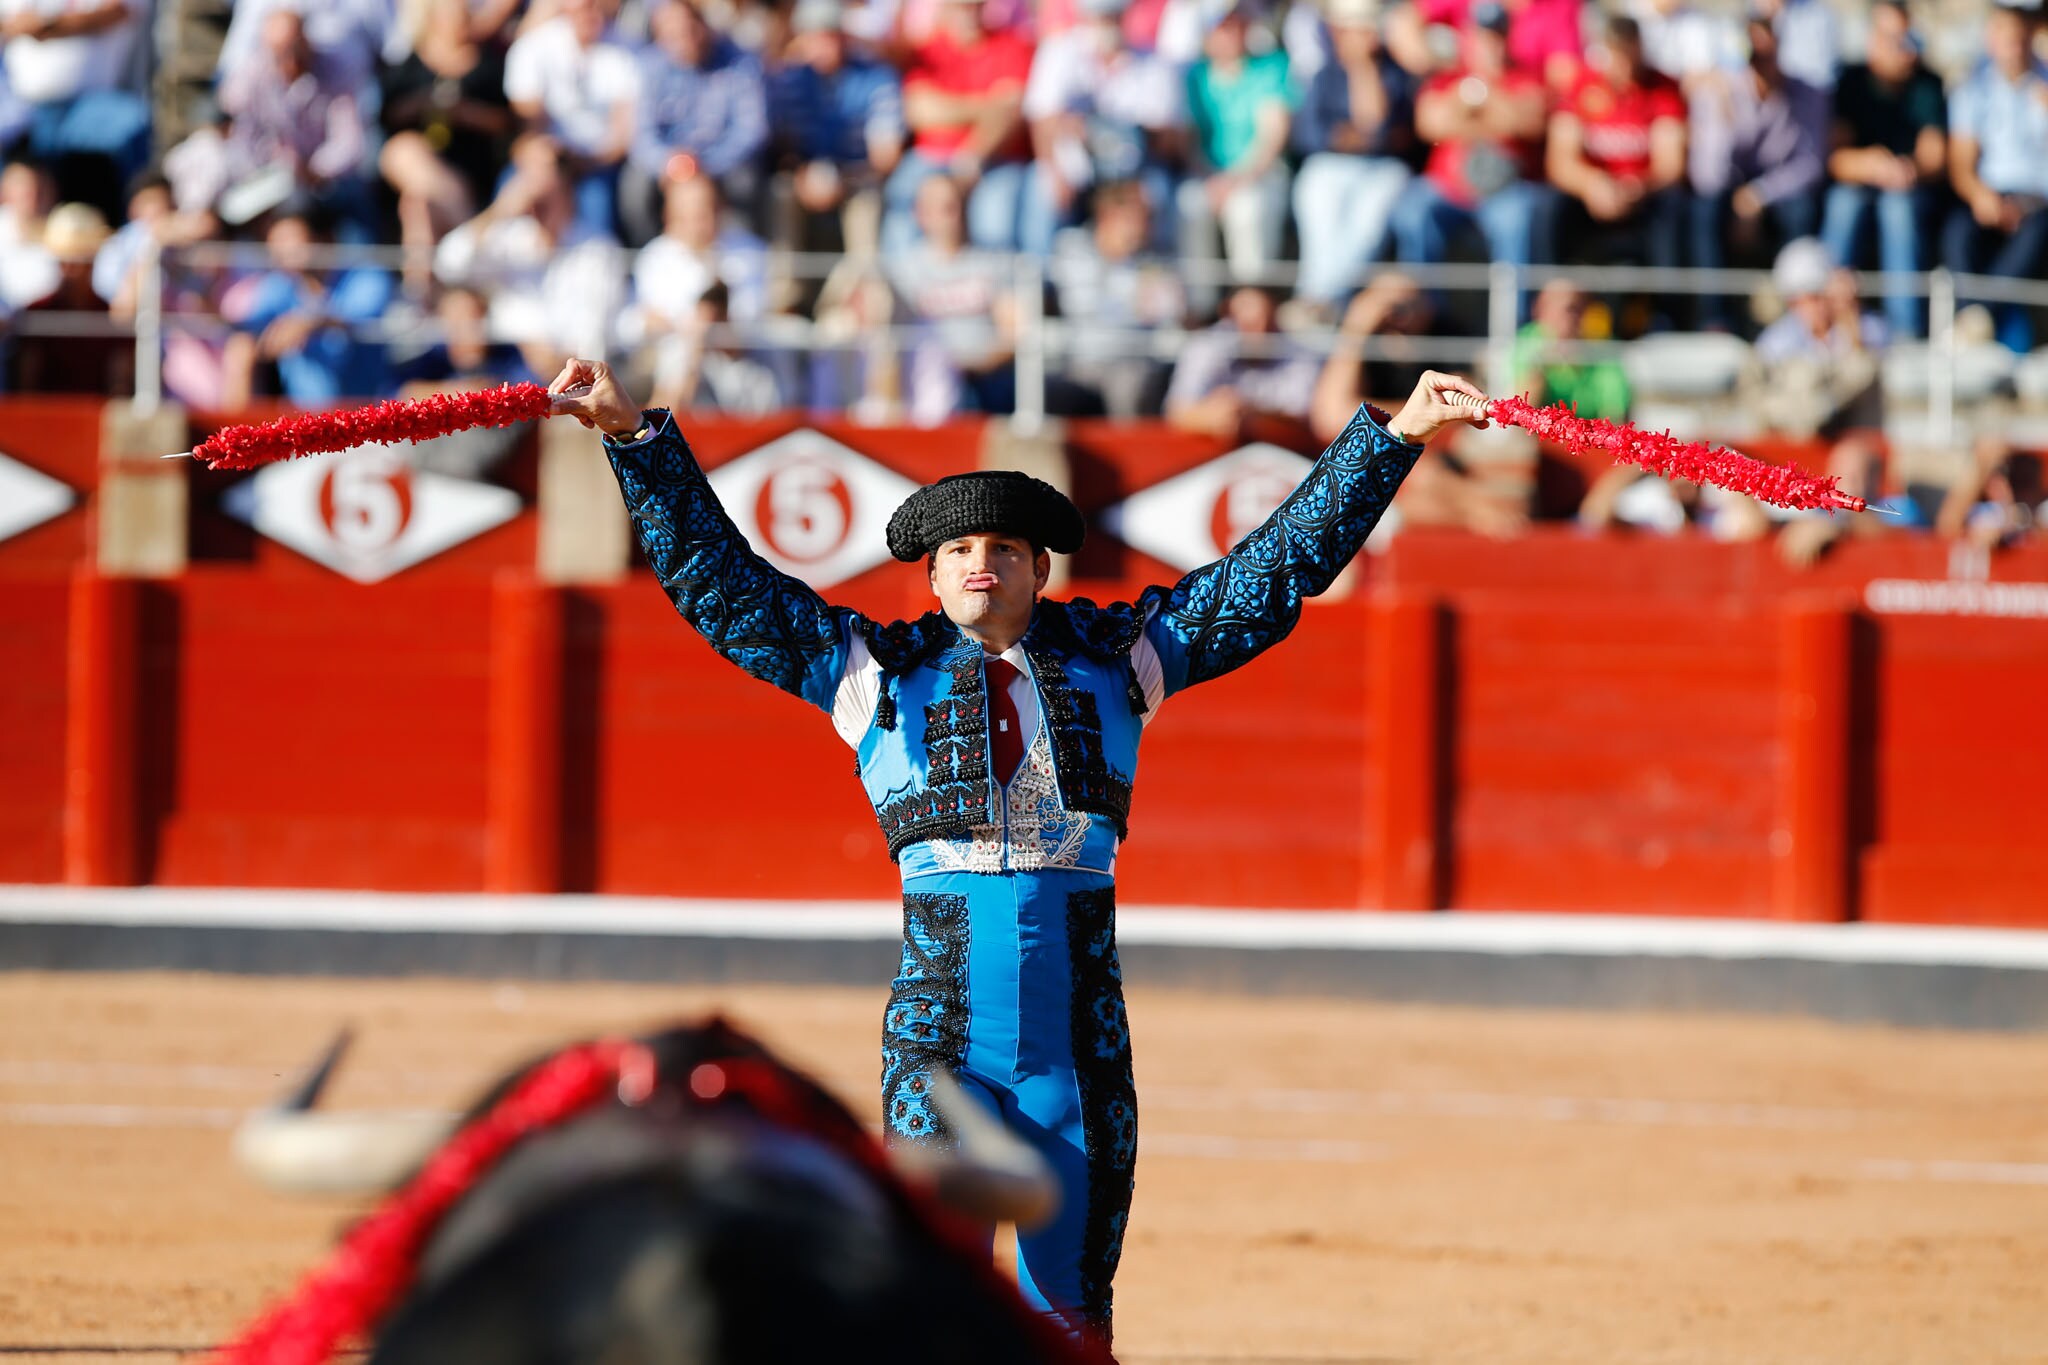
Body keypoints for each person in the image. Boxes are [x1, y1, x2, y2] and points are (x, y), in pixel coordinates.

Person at [544, 346, 1489, 1355]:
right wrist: (632, 437)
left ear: (1042, 569)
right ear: (932, 574)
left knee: (1071, 1319)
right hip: (937, 1051)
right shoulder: (869, 674)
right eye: (954, 550)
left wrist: (1392, 442)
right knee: (919, 1316)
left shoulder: (1123, 660)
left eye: (999, 544)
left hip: (1075, 1053)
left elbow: (1271, 572)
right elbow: (722, 587)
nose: (975, 560)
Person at [1388, 1, 1549, 279]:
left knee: (1517, 218)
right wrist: (1487, 114)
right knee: (1413, 210)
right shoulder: (1446, 78)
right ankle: (1424, 311)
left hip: (1505, 191)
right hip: (1449, 189)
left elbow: (1529, 123)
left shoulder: (1526, 77)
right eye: (1482, 36)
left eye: (1496, 36)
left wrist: (1483, 91)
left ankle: (1512, 315)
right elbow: (1430, 125)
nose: (1489, 45)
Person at [1686, 17, 1827, 328]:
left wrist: (1758, 195)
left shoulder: (1806, 94)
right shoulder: (1719, 93)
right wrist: (1724, 120)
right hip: (1729, 194)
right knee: (1704, 210)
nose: (1762, 64)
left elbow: (1810, 165)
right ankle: (1715, 320)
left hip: (1777, 194)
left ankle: (1800, 315)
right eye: (1754, 55)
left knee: (1802, 210)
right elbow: (1707, 176)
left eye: (1769, 54)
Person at [1818, 0, 1944, 337]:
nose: (1905, 48)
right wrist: (1872, 164)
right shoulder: (1851, 81)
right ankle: (1824, 322)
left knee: (1898, 207)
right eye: (1894, 38)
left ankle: (1904, 332)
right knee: (1844, 203)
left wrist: (1905, 169)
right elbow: (1837, 158)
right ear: (1873, 40)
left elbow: (1934, 156)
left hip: (1907, 190)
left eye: (1908, 38)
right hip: (1860, 186)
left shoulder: (1927, 83)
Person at [1020, 0, 1182, 256]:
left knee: (1158, 193)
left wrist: (1115, 133)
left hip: (1136, 168)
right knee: (1042, 189)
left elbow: (1168, 135)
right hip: (1076, 164)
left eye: (1112, 16)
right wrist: (1054, 167)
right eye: (1100, 16)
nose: (1107, 23)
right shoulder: (1059, 50)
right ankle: (1037, 282)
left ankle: (1156, 275)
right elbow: (1041, 119)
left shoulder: (1153, 62)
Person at [378, 0, 514, 296]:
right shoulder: (411, 65)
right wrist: (422, 104)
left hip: (470, 174)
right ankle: (430, 284)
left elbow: (507, 122)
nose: (462, 23)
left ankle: (422, 293)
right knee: (412, 187)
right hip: (424, 177)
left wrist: (465, 112)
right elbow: (387, 114)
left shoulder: (488, 66)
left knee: (414, 199)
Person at [1290, 0, 1417, 314]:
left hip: (1384, 170)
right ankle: (1325, 297)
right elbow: (1312, 135)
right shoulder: (1325, 74)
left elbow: (1382, 130)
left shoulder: (1395, 73)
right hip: (1331, 167)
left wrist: (1364, 69)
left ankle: (1320, 298)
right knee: (1318, 208)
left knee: (1367, 225)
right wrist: (1360, 137)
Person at [881, 0, 1036, 255]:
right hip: (930, 158)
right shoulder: (929, 50)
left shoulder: (1011, 46)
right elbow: (919, 110)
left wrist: (972, 155)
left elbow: (1011, 114)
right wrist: (986, 107)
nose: (969, 11)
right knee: (902, 202)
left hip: (995, 160)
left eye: (975, 5)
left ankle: (997, 292)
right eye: (961, 5)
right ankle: (901, 289)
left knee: (995, 218)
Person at [1942, 0, 2048, 354]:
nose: (2014, 44)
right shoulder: (1974, 87)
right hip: (1991, 195)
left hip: (2039, 202)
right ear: (1991, 36)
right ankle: (1982, 321)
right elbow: (1962, 162)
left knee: (2037, 232)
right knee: (1958, 235)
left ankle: (1977, 320)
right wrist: (1980, 196)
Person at [766, 0, 904, 267]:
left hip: (860, 179)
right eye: (814, 36)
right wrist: (801, 174)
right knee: (779, 195)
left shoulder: (877, 78)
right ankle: (785, 298)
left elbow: (886, 156)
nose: (824, 46)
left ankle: (862, 296)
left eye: (831, 36)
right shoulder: (789, 81)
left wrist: (841, 180)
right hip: (802, 179)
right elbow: (781, 147)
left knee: (867, 206)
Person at [1544, 15, 1686, 273]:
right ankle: (1550, 293)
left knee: (1672, 207)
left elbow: (1671, 164)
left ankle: (1669, 307)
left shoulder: (1662, 90)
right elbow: (1560, 160)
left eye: (1629, 53)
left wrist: (1637, 186)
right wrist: (1592, 185)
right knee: (1548, 208)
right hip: (1591, 197)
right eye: (1616, 54)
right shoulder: (1580, 86)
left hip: (1644, 196)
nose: (1624, 65)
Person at [623, 0, 770, 246]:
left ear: (703, 26)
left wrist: (705, 163)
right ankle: (648, 252)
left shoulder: (740, 63)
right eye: (673, 34)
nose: (684, 39)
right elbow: (642, 134)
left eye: (690, 29)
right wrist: (670, 162)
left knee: (746, 183)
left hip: (721, 161)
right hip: (670, 161)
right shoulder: (650, 66)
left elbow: (751, 130)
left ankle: (742, 254)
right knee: (634, 188)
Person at [1176, 0, 1294, 286]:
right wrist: (1212, 178)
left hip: (1260, 175)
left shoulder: (1272, 68)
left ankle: (1249, 299)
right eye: (1223, 26)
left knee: (1248, 208)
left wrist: (1237, 180)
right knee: (1189, 205)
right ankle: (1200, 303)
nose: (1231, 33)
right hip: (1210, 175)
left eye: (1236, 24)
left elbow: (1273, 137)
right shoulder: (1194, 75)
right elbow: (1187, 140)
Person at [1048, 177, 1184, 418]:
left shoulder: (1156, 260)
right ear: (1108, 215)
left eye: (1148, 216)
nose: (1147, 224)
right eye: (1139, 215)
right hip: (1080, 362)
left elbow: (1167, 313)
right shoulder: (1072, 247)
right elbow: (1081, 305)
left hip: (1134, 364)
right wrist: (1134, 299)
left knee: (1133, 384)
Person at [502, 0, 639, 236]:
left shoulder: (627, 50)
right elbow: (528, 120)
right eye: (584, 5)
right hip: (545, 159)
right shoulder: (535, 45)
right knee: (512, 200)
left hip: (598, 165)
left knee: (597, 209)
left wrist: (587, 162)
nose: (591, 12)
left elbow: (623, 131)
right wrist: (547, 157)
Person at [0, 0, 152, 195]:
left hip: (91, 107)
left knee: (135, 126)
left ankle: (137, 221)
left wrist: (51, 25)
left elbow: (118, 11)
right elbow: (11, 21)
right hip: (24, 109)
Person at [1163, 283, 1320, 439]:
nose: (1258, 327)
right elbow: (1177, 410)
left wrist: (1253, 414)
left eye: (1266, 317)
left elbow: (1304, 418)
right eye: (1247, 319)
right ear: (1227, 313)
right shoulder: (1204, 347)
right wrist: (1212, 417)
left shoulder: (1301, 355)